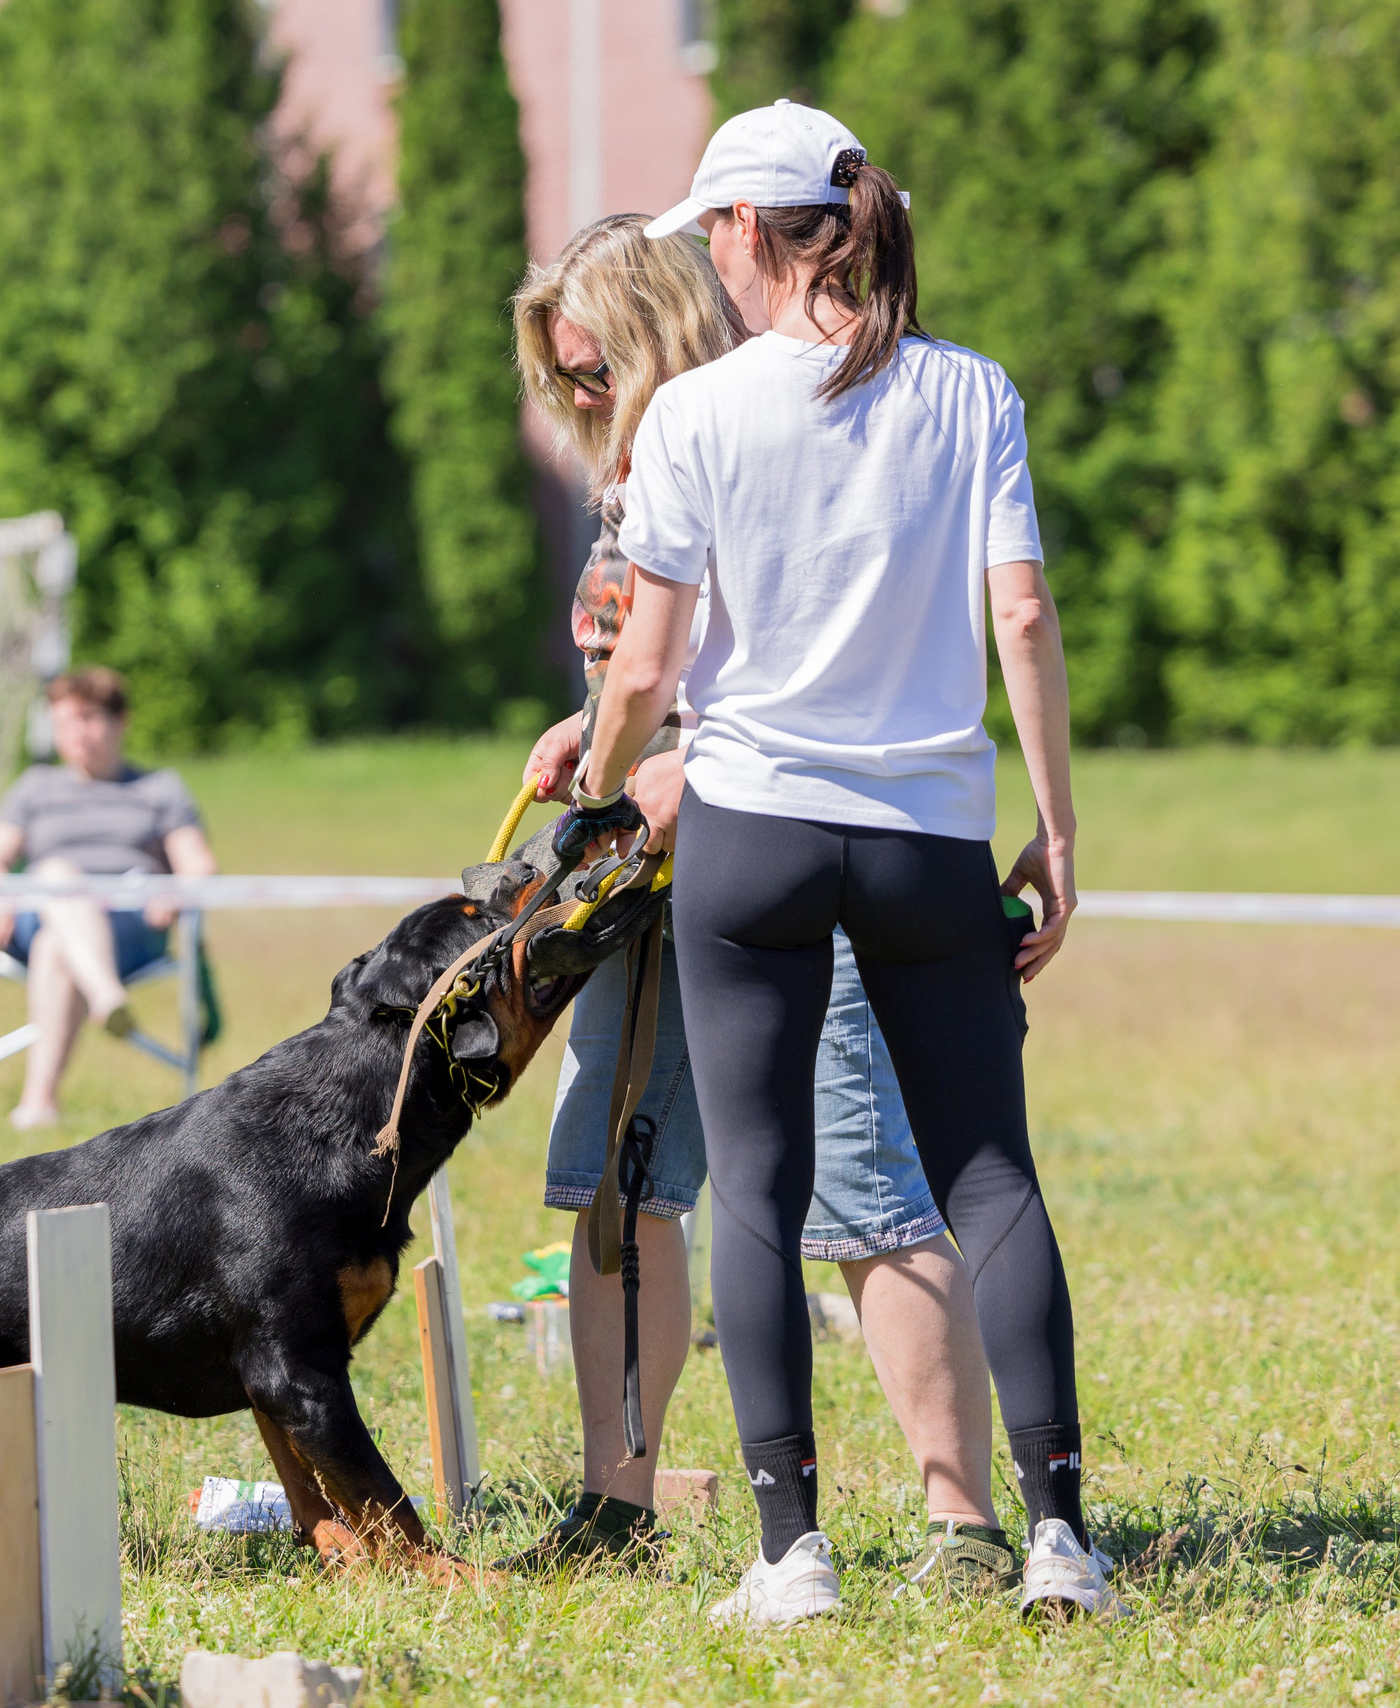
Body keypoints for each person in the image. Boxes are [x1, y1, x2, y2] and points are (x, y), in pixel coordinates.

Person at [565, 101, 1117, 1625]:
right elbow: (1023, 618)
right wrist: (1059, 830)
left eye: (713, 236)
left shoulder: (696, 413)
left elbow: (646, 665)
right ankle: (1060, 1540)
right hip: (929, 832)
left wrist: (600, 792)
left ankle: (788, 1554)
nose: (712, 262)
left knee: (758, 1183)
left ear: (749, 228)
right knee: (989, 1175)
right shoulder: (970, 389)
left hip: (753, 833)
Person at [493, 214, 1008, 1602]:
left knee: (865, 1189)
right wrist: (597, 738)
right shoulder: (636, 472)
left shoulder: (773, 427)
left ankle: (963, 1527)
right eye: (564, 380)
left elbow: (816, 658)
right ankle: (615, 1503)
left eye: (596, 369)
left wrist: (676, 762)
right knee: (615, 1179)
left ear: (664, 326)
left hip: (788, 848)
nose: (581, 399)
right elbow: (663, 664)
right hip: (647, 872)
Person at [0, 667, 217, 1130]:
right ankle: (105, 996)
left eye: (89, 718)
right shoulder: (35, 787)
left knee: (55, 945)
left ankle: (38, 1103)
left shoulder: (158, 788)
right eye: (64, 722)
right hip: (41, 912)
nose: (76, 733)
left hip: (129, 925)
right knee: (56, 874)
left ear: (120, 721)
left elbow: (198, 864)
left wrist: (176, 890)